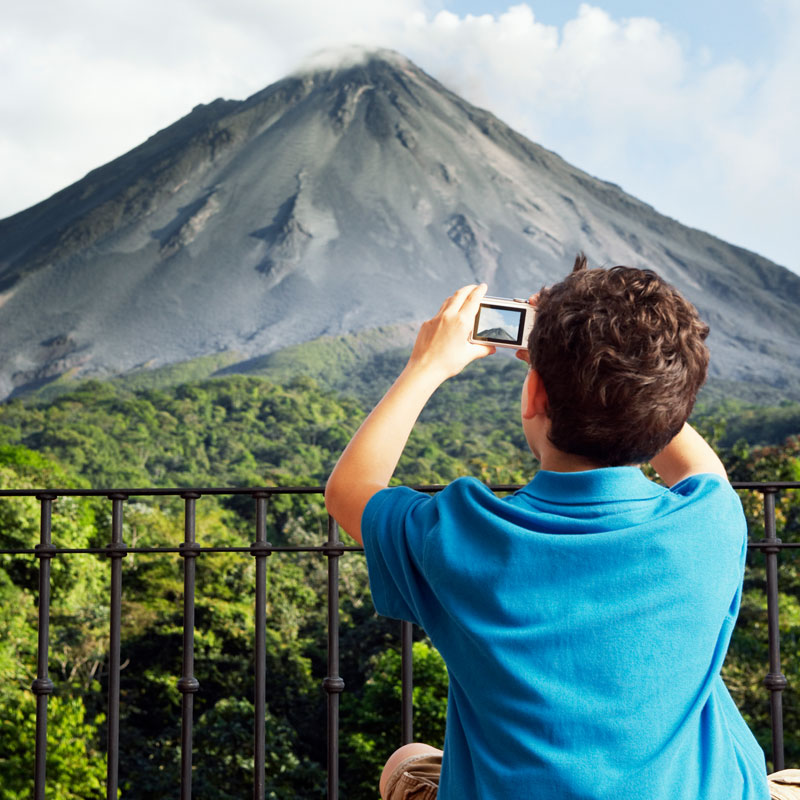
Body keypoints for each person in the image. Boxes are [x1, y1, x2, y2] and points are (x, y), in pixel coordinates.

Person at [324, 255, 795, 800]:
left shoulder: (459, 534)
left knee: (408, 763)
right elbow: (698, 468)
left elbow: (349, 491)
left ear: (535, 397)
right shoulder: (708, 520)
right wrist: (628, 384)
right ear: (669, 409)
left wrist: (427, 365)